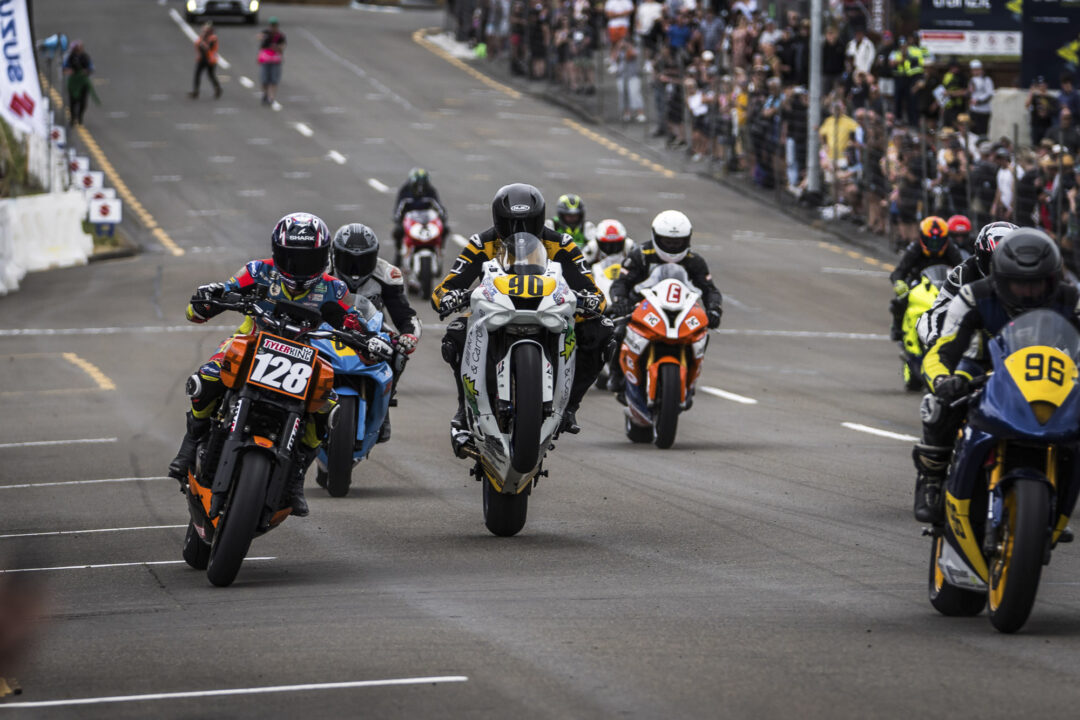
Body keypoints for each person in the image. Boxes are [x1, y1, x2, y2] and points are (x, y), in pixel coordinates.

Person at [167, 213, 393, 516]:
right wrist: (209, 297)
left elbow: (350, 321)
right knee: (205, 379)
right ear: (277, 253)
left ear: (323, 258)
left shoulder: (333, 289)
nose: (298, 268)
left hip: (303, 359)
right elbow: (210, 302)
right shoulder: (257, 271)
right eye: (291, 258)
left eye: (308, 259)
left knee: (329, 409)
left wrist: (368, 339)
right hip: (249, 345)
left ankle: (295, 477)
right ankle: (191, 443)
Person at [912, 229, 1080, 522]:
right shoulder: (975, 295)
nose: (1027, 292)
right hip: (979, 364)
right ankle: (932, 480)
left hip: (1041, 370)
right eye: (1018, 283)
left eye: (1036, 284)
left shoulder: (1069, 300)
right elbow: (942, 350)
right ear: (999, 277)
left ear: (1053, 279)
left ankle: (1062, 497)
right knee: (940, 406)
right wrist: (942, 380)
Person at [431, 183, 612, 451]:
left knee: (602, 331)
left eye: (528, 222)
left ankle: (570, 405)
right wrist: (451, 297)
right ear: (498, 220)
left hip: (548, 311)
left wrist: (590, 299)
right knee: (456, 332)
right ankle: (464, 409)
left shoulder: (561, 243)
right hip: (496, 311)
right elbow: (444, 289)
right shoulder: (481, 243)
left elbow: (593, 290)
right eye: (511, 222)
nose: (520, 230)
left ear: (540, 219)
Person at [605, 210, 723, 398]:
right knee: (618, 329)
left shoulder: (695, 261)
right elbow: (621, 283)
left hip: (682, 310)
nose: (673, 245)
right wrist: (620, 302)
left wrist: (714, 309)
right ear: (656, 237)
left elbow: (710, 289)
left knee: (703, 333)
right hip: (642, 308)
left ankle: (691, 380)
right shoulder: (641, 255)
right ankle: (617, 375)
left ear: (688, 239)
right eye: (668, 241)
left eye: (678, 242)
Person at [329, 223, 421, 443]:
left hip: (373, 331)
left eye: (362, 260)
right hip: (329, 328)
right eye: (349, 259)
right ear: (335, 255)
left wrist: (409, 335)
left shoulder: (387, 274)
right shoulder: (324, 270)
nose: (355, 268)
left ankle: (384, 403)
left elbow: (404, 314)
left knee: (399, 353)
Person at [917, 221, 1017, 348]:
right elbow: (935, 313)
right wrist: (935, 341)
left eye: (1007, 261)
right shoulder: (964, 272)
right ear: (980, 257)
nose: (999, 269)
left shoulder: (1032, 277)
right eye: (992, 260)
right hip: (974, 348)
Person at [888, 216, 964, 341]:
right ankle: (897, 328)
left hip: (943, 283)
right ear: (922, 237)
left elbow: (963, 268)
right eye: (930, 241)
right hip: (918, 282)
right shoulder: (915, 247)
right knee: (899, 301)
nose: (934, 245)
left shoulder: (951, 248)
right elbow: (898, 272)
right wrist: (899, 283)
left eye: (938, 242)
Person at [392, 168, 449, 265]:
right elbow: (399, 207)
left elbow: (438, 206)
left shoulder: (431, 191)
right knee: (397, 232)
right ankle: (399, 253)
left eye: (423, 184)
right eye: (418, 185)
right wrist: (398, 218)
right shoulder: (405, 191)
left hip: (426, 219)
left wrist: (443, 216)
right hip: (410, 220)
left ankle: (440, 249)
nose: (420, 189)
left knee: (445, 229)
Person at [63, 41, 94, 126]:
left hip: (83, 83)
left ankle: (80, 116)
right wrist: (69, 71)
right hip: (73, 84)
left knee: (83, 102)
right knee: (73, 102)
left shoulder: (86, 57)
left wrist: (86, 71)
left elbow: (91, 68)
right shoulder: (69, 57)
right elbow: (64, 68)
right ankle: (73, 118)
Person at [258, 17, 286, 107]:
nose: (273, 27)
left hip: (275, 60)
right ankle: (265, 94)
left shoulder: (280, 36)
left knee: (274, 80)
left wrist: (276, 47)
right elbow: (260, 40)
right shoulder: (265, 34)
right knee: (264, 79)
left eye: (274, 26)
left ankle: (271, 97)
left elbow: (282, 47)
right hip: (265, 59)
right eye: (271, 25)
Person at [189, 23, 222, 100]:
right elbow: (197, 45)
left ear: (209, 31)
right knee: (197, 75)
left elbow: (208, 47)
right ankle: (196, 91)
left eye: (205, 29)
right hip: (202, 59)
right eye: (203, 29)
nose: (203, 31)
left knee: (211, 75)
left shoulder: (213, 38)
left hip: (210, 60)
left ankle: (218, 89)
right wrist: (202, 41)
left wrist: (203, 42)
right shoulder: (201, 38)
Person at [967, 59, 993, 136]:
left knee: (982, 132)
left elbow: (989, 94)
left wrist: (978, 101)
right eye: (973, 70)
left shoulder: (986, 79)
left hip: (984, 111)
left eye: (977, 70)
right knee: (973, 131)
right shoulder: (971, 79)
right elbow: (971, 93)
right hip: (973, 110)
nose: (975, 72)